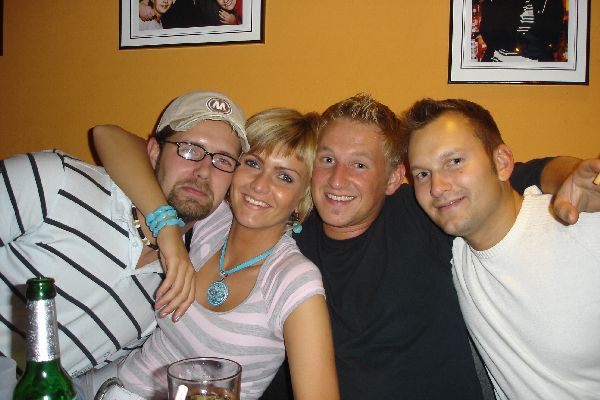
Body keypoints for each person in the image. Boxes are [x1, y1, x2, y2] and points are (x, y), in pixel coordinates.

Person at [260, 93, 599, 400]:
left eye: (359, 165)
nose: (337, 179)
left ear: (394, 179)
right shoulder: (288, 241)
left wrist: (571, 174)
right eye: (327, 160)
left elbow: (515, 179)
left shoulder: (424, 214)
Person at [81, 108, 339, 400]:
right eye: (252, 163)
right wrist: (168, 231)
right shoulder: (213, 219)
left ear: (302, 197)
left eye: (284, 177)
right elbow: (108, 136)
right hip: (96, 386)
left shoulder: (293, 279)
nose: (260, 185)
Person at [0, 90, 248, 378]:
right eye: (189, 149)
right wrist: (166, 226)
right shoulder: (55, 181)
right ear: (154, 152)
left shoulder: (176, 287)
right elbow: (107, 133)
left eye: (223, 160)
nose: (204, 170)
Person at [400, 98, 600, 399]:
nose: (437, 187)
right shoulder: (455, 251)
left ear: (502, 163)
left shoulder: (583, 227)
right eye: (422, 174)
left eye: (454, 162)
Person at [478, 0, 565, 62]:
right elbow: (487, 33)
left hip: (536, 66)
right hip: (499, 62)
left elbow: (553, 36)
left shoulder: (550, 2)